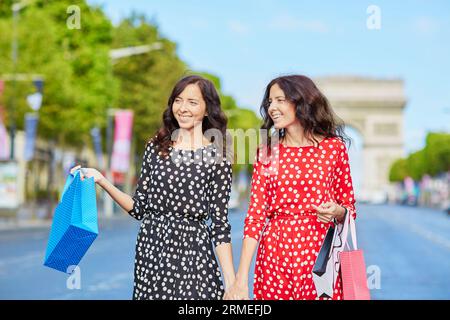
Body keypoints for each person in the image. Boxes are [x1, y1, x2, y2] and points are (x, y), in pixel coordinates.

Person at [71, 75, 235, 300]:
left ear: (208, 110)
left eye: (192, 102)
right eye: (178, 100)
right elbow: (139, 208)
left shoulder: (218, 156)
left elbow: (219, 224)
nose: (183, 108)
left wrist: (232, 283)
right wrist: (101, 180)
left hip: (194, 256)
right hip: (151, 252)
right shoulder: (156, 148)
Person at [226, 75, 356, 300]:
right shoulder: (267, 152)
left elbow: (349, 207)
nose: (272, 108)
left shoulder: (333, 149)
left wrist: (337, 211)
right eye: (269, 102)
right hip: (275, 258)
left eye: (279, 100)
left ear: (301, 101)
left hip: (321, 256)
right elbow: (255, 217)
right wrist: (240, 279)